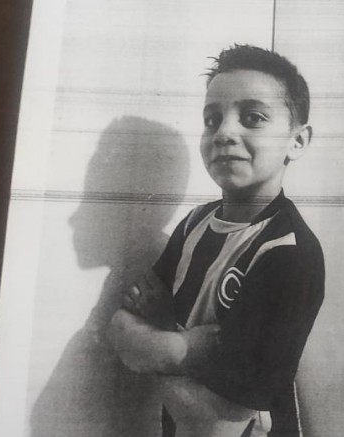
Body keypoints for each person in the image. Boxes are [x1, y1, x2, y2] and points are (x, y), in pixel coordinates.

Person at [107, 44, 324, 437]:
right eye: (212, 119)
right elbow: (119, 327)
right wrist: (185, 349)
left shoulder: (291, 252)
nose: (224, 133)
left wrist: (160, 345)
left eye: (253, 118)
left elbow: (221, 420)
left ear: (297, 141)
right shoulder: (195, 223)